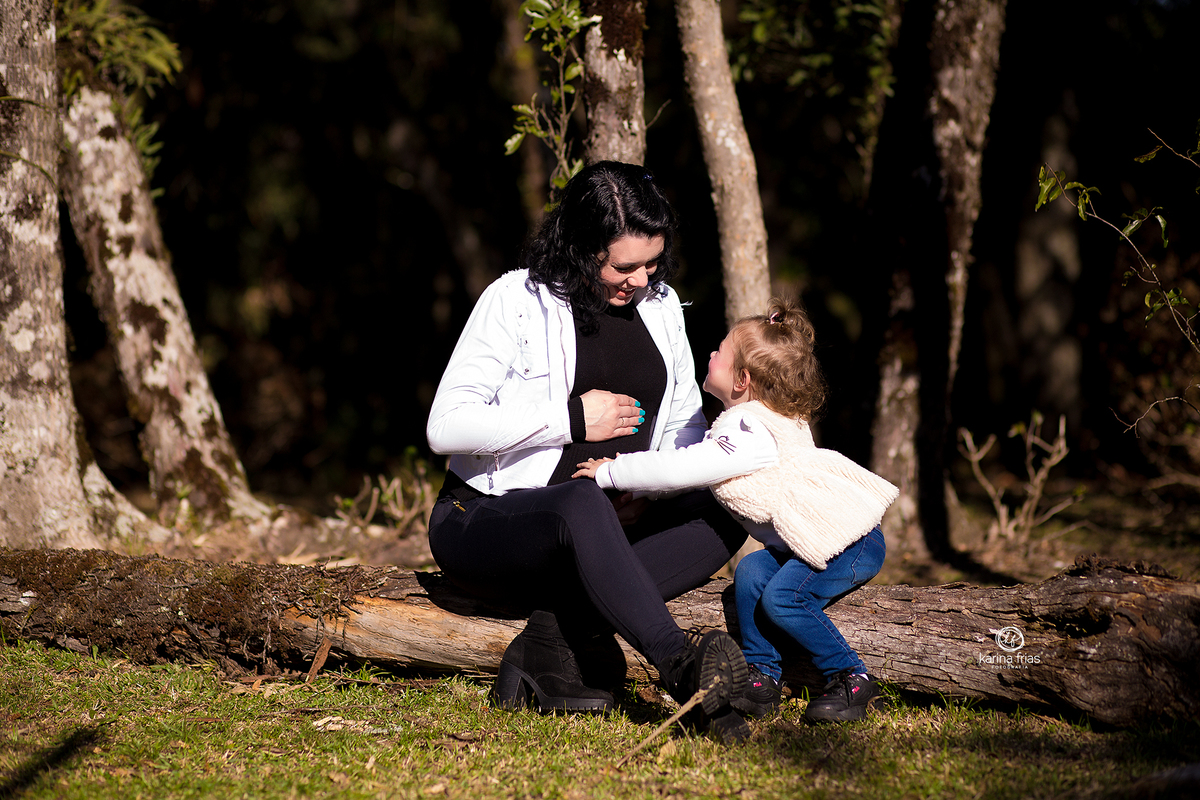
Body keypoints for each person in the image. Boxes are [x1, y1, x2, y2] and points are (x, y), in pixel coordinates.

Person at [425, 161, 752, 741]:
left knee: (724, 508)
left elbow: (684, 425)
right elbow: (445, 427)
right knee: (579, 503)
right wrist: (574, 417)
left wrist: (645, 486)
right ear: (580, 248)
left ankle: (547, 644)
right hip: (488, 522)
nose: (641, 280)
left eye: (652, 262)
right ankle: (681, 668)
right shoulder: (515, 299)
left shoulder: (662, 306)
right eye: (624, 266)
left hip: (610, 523)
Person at [574, 298, 898, 723]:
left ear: (743, 379)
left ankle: (851, 677)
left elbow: (682, 467)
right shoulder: (753, 423)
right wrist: (645, 497)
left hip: (850, 542)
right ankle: (762, 674)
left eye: (720, 351)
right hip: (811, 544)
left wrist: (613, 472)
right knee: (750, 573)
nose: (710, 353)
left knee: (784, 599)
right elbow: (699, 471)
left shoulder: (748, 431)